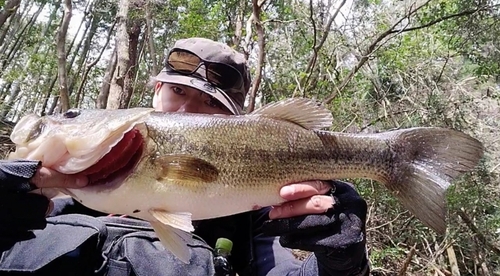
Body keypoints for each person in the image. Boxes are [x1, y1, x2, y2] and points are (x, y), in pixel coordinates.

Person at [0, 37, 370, 276]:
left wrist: (340, 262)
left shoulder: (257, 215)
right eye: (178, 91)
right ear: (157, 89)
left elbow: (287, 271)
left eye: (210, 103)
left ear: (233, 123)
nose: (185, 111)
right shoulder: (57, 195)